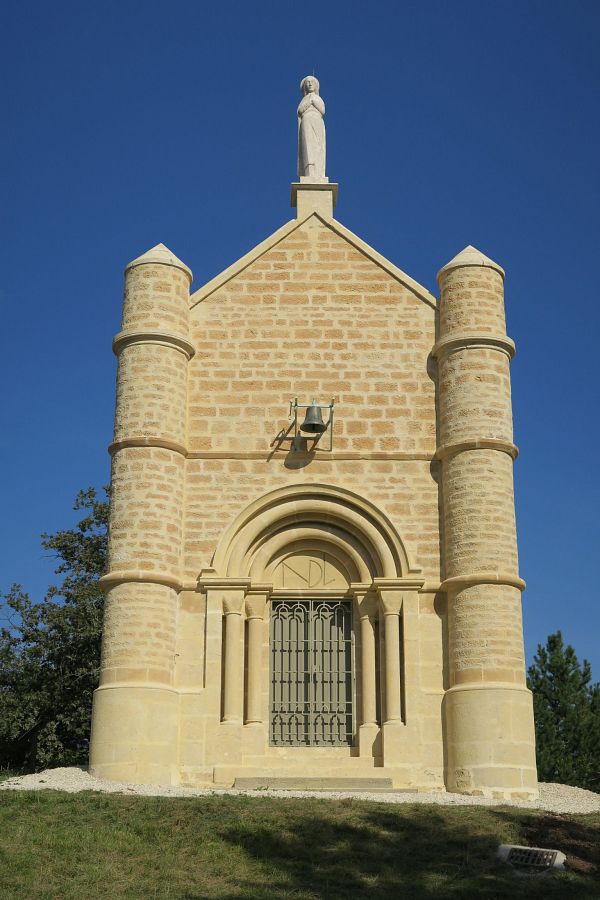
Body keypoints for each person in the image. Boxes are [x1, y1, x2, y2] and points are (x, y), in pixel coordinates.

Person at [297, 76, 326, 179]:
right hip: (306, 120)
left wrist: (313, 100)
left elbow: (322, 110)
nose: (309, 84)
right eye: (307, 82)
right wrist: (309, 101)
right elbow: (300, 111)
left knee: (317, 144)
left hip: (317, 121)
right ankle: (309, 170)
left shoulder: (318, 98)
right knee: (308, 144)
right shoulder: (304, 99)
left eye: (311, 82)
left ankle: (317, 171)